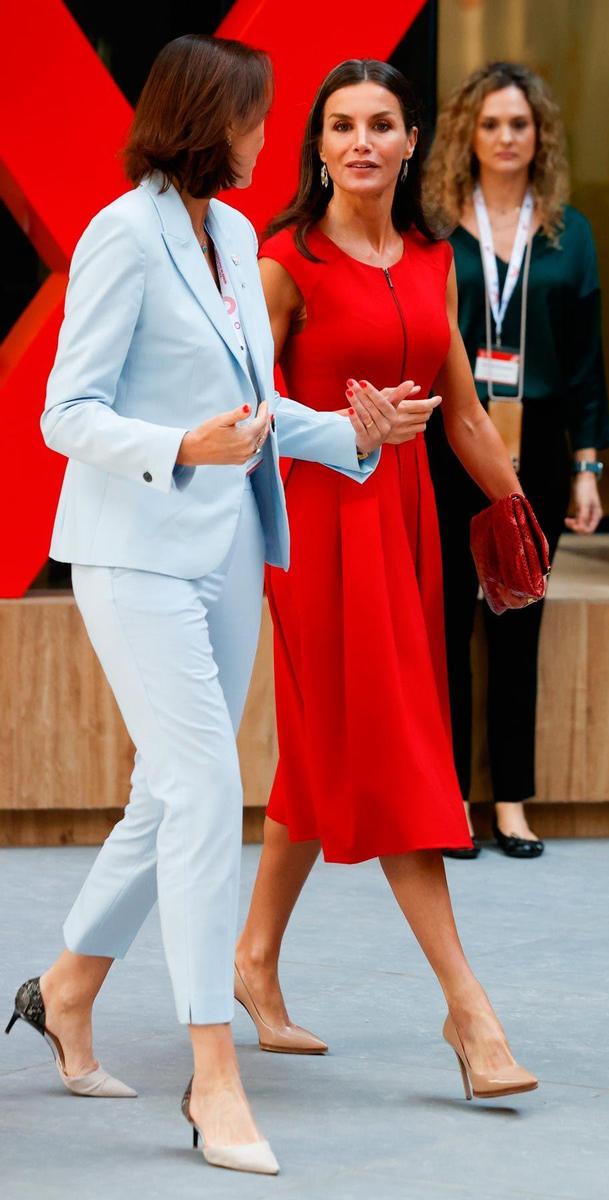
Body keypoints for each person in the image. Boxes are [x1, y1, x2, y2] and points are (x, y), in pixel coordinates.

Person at [7, 35, 400, 1177]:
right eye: (256, 116)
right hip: (135, 555)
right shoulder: (118, 235)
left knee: (167, 792)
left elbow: (256, 403)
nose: (266, 136)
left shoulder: (232, 234)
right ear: (207, 117)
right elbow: (64, 409)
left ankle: (67, 990)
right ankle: (212, 1074)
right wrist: (176, 443)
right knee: (208, 791)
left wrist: (352, 436)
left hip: (230, 548)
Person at [233, 58, 539, 1102]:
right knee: (401, 751)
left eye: (380, 124)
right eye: (339, 125)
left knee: (326, 753)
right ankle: (470, 1015)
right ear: (315, 147)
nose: (360, 141)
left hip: (405, 524)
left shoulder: (430, 259)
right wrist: (333, 433)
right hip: (315, 536)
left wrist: (510, 510)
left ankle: (254, 963)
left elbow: (456, 410)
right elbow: (246, 417)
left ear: (412, 144)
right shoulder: (283, 264)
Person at [423, 62, 609, 860]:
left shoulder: (568, 233)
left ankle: (510, 803)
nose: (506, 137)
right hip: (448, 445)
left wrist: (588, 465)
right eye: (492, 123)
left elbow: (586, 362)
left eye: (520, 125)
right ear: (470, 133)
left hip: (534, 450)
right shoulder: (434, 226)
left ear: (540, 137)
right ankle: (449, 805)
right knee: (445, 624)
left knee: (517, 625)